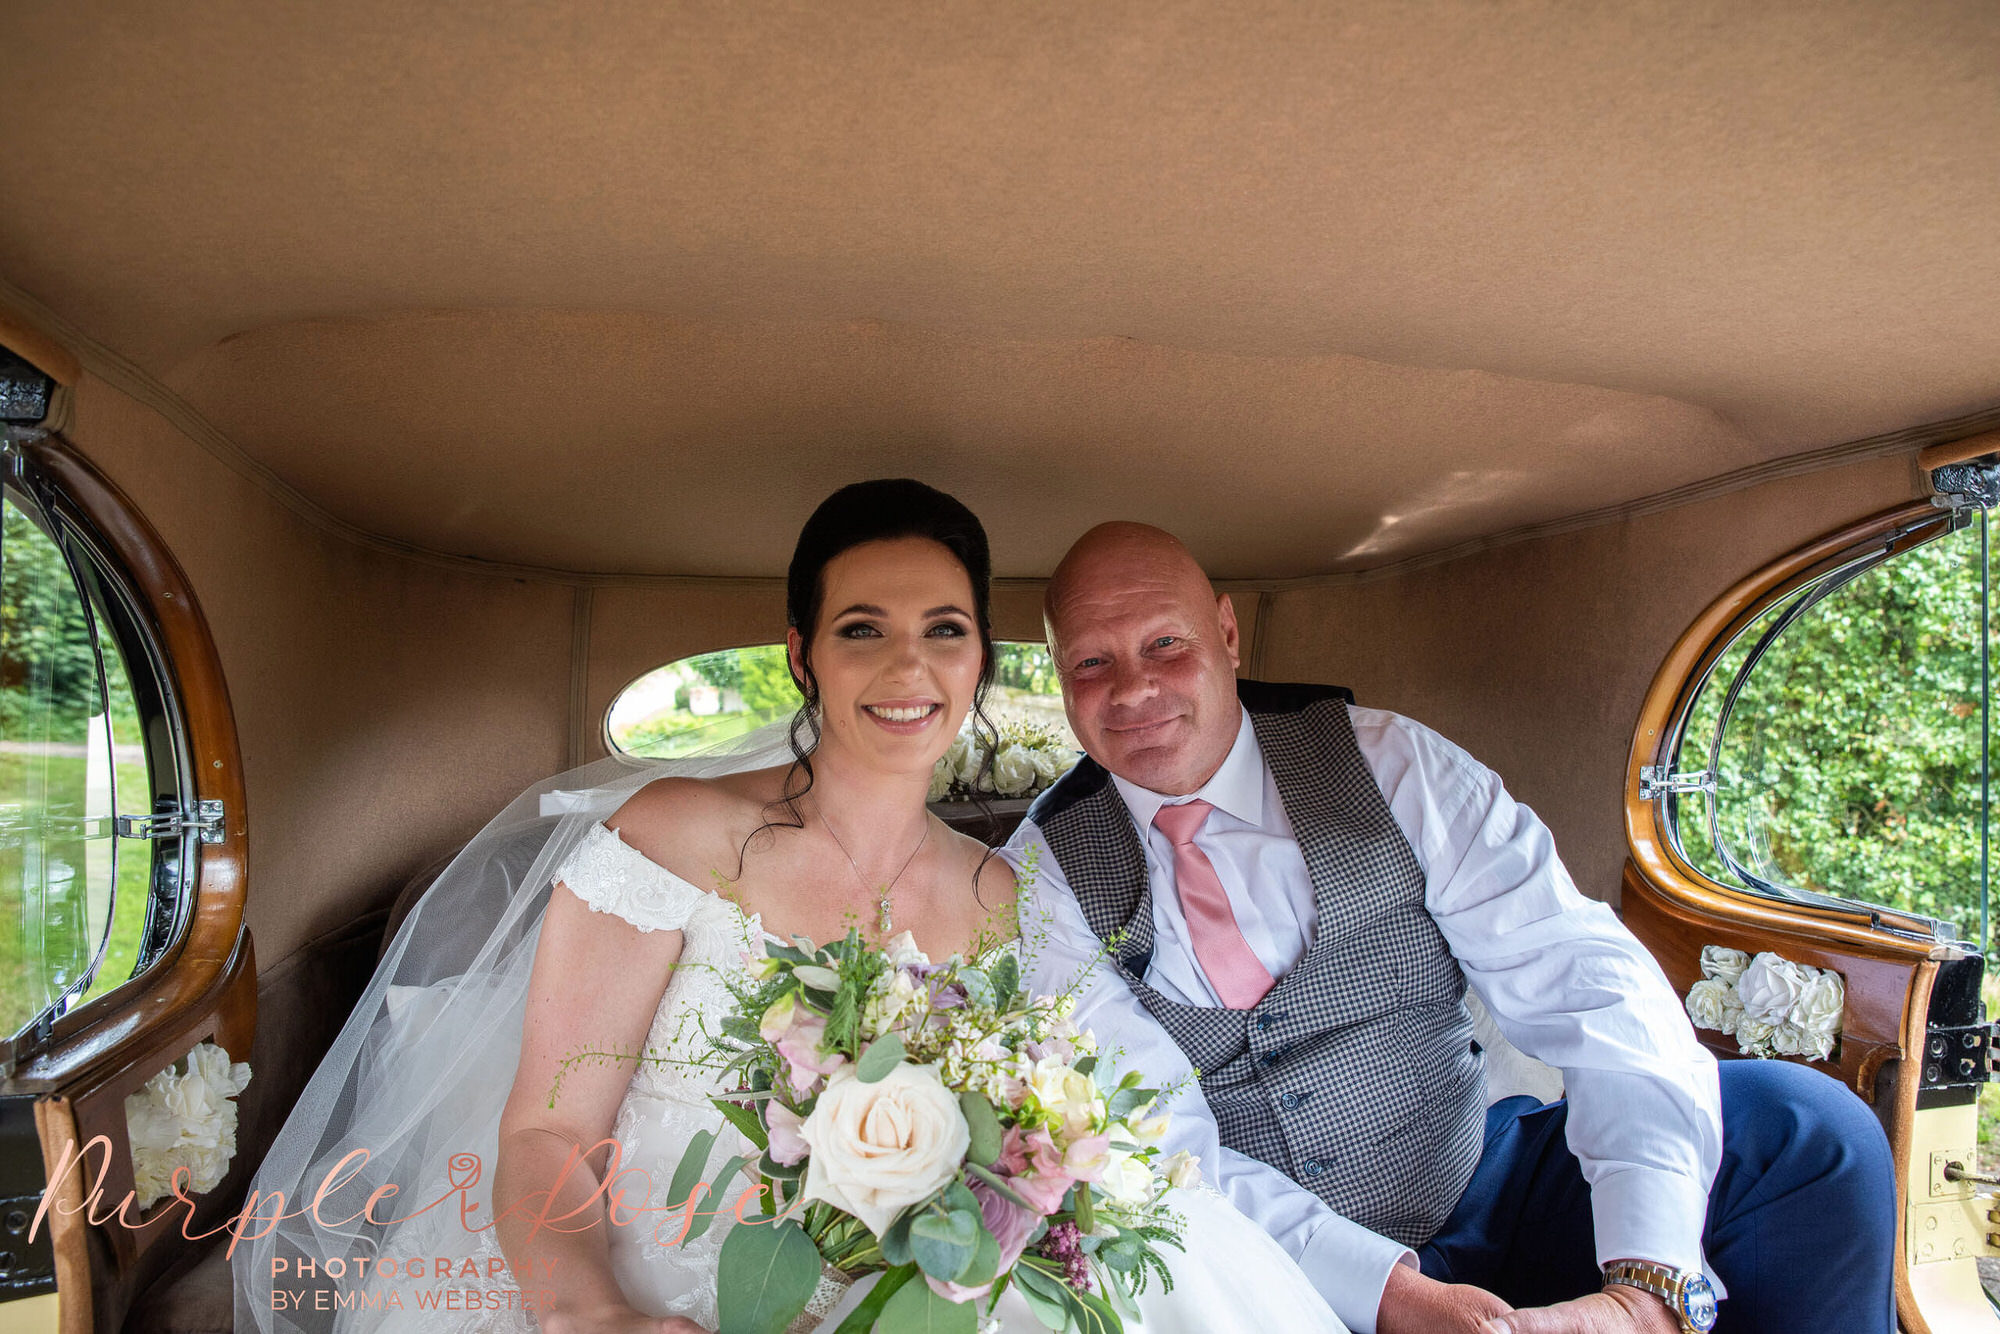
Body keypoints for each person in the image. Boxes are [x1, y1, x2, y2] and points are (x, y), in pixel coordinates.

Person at [233, 481, 1347, 1334]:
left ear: (982, 662)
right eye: (862, 627)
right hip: (659, 1290)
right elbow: (545, 1131)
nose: (907, 662)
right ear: (800, 654)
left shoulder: (1007, 898)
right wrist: (594, 1314)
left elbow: (1048, 1132)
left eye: (945, 628)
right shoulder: (672, 841)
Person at [1007, 521, 1896, 1334]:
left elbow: (1586, 979)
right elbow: (1148, 1147)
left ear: (1228, 636)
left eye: (1166, 643)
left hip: (1486, 1183)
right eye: (1090, 663)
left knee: (1809, 1132)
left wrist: (1645, 1286)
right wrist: (1391, 1296)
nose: (1133, 689)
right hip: (1272, 1279)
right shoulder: (1034, 880)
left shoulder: (1390, 763)